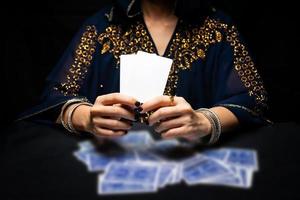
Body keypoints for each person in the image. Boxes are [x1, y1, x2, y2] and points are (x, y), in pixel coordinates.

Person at [18, 0, 271, 145]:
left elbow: (252, 100)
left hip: (194, 171)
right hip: (112, 168)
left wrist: (204, 121)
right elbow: (55, 97)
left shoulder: (218, 27)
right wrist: (86, 117)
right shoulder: (102, 26)